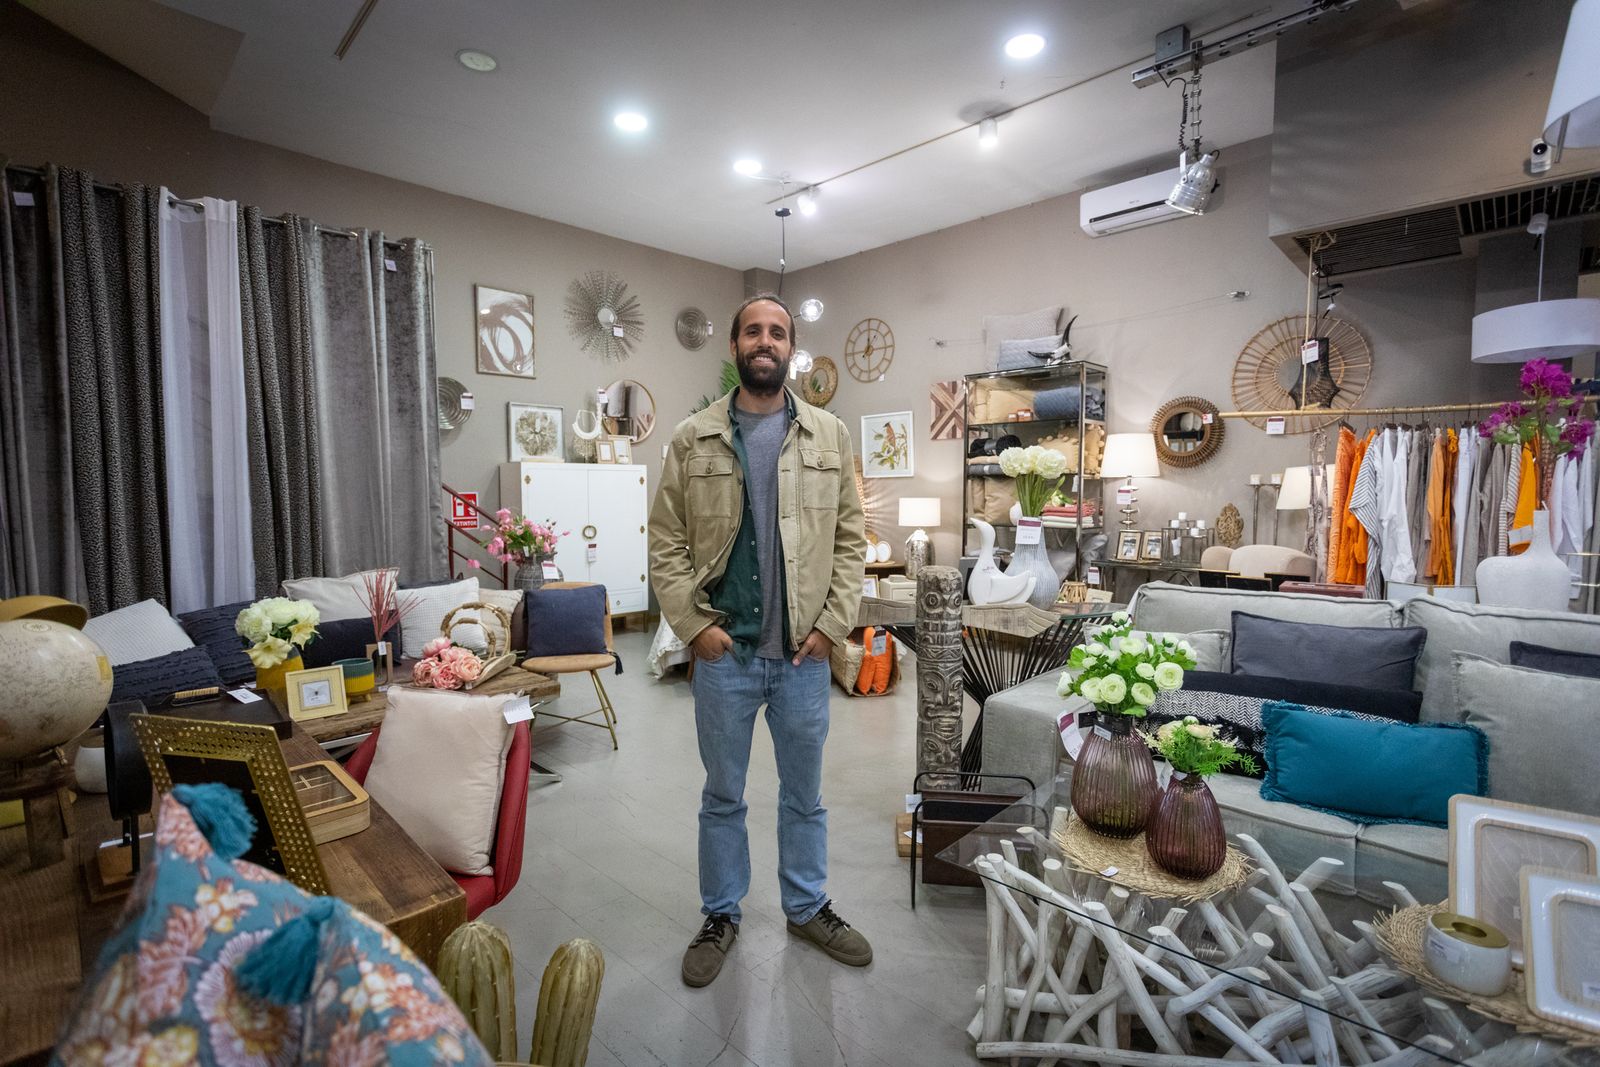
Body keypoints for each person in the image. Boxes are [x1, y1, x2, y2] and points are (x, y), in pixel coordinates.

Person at [648, 293, 869, 988]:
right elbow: (666, 542)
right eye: (753, 330)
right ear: (737, 347)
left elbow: (851, 543)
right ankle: (721, 913)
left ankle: (806, 906)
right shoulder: (694, 437)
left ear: (790, 348)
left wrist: (832, 626)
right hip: (728, 656)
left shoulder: (830, 435)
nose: (764, 340)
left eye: (777, 331)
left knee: (804, 795)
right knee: (724, 794)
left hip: (803, 657)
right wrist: (696, 628)